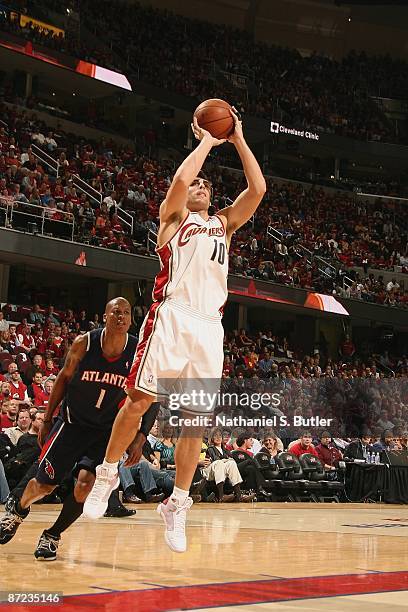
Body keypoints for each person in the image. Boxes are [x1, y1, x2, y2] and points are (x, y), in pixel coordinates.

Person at [84, 108, 266, 552]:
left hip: (210, 328)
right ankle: (107, 475)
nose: (202, 186)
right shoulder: (172, 219)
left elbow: (258, 189)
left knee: (194, 424)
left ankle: (177, 503)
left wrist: (238, 138)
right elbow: (182, 182)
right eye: (199, 185)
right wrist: (207, 139)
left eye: (208, 185)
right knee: (140, 399)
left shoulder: (224, 223)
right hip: (172, 315)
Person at [0, 298, 158, 560]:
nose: (121, 317)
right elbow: (62, 378)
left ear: (131, 320)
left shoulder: (139, 353)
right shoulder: (84, 343)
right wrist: (48, 419)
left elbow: (150, 398)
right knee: (43, 486)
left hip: (106, 432)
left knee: (86, 484)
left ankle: (53, 535)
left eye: (126, 313)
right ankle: (17, 510)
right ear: (105, 316)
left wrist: (140, 437)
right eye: (116, 312)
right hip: (72, 424)